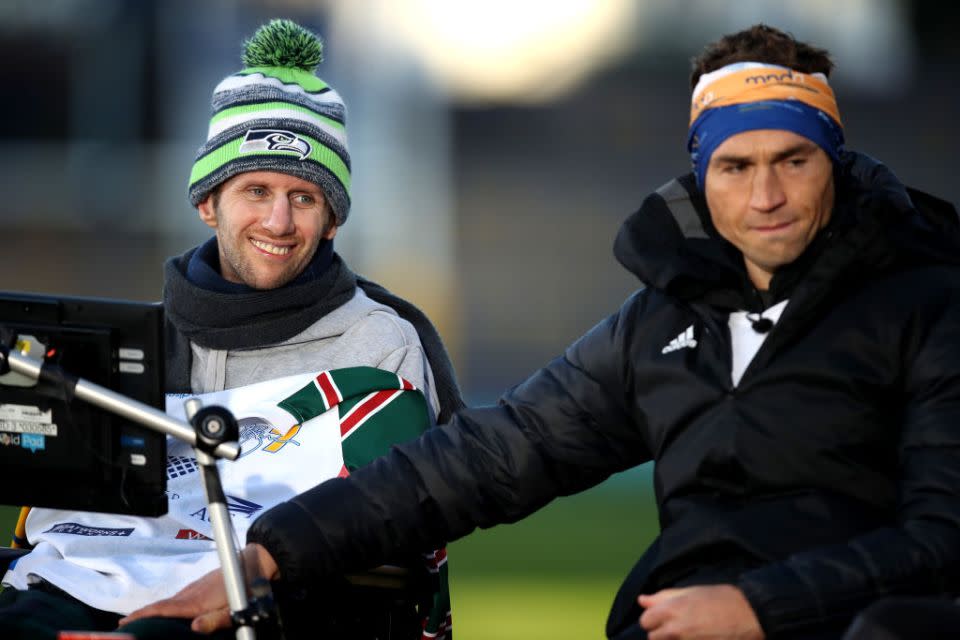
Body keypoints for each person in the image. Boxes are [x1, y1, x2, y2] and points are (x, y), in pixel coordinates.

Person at [126, 23, 960, 640]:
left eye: (793, 161)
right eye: (737, 168)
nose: (766, 195)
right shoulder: (663, 321)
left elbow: (943, 538)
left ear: (836, 164)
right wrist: (268, 556)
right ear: (703, 180)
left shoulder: (927, 306)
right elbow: (487, 457)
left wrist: (758, 608)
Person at [0, 19, 461, 640]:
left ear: (331, 221)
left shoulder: (383, 344)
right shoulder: (141, 338)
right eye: (256, 190)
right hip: (96, 581)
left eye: (304, 198)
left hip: (278, 607)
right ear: (208, 202)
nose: (278, 220)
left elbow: (400, 537)